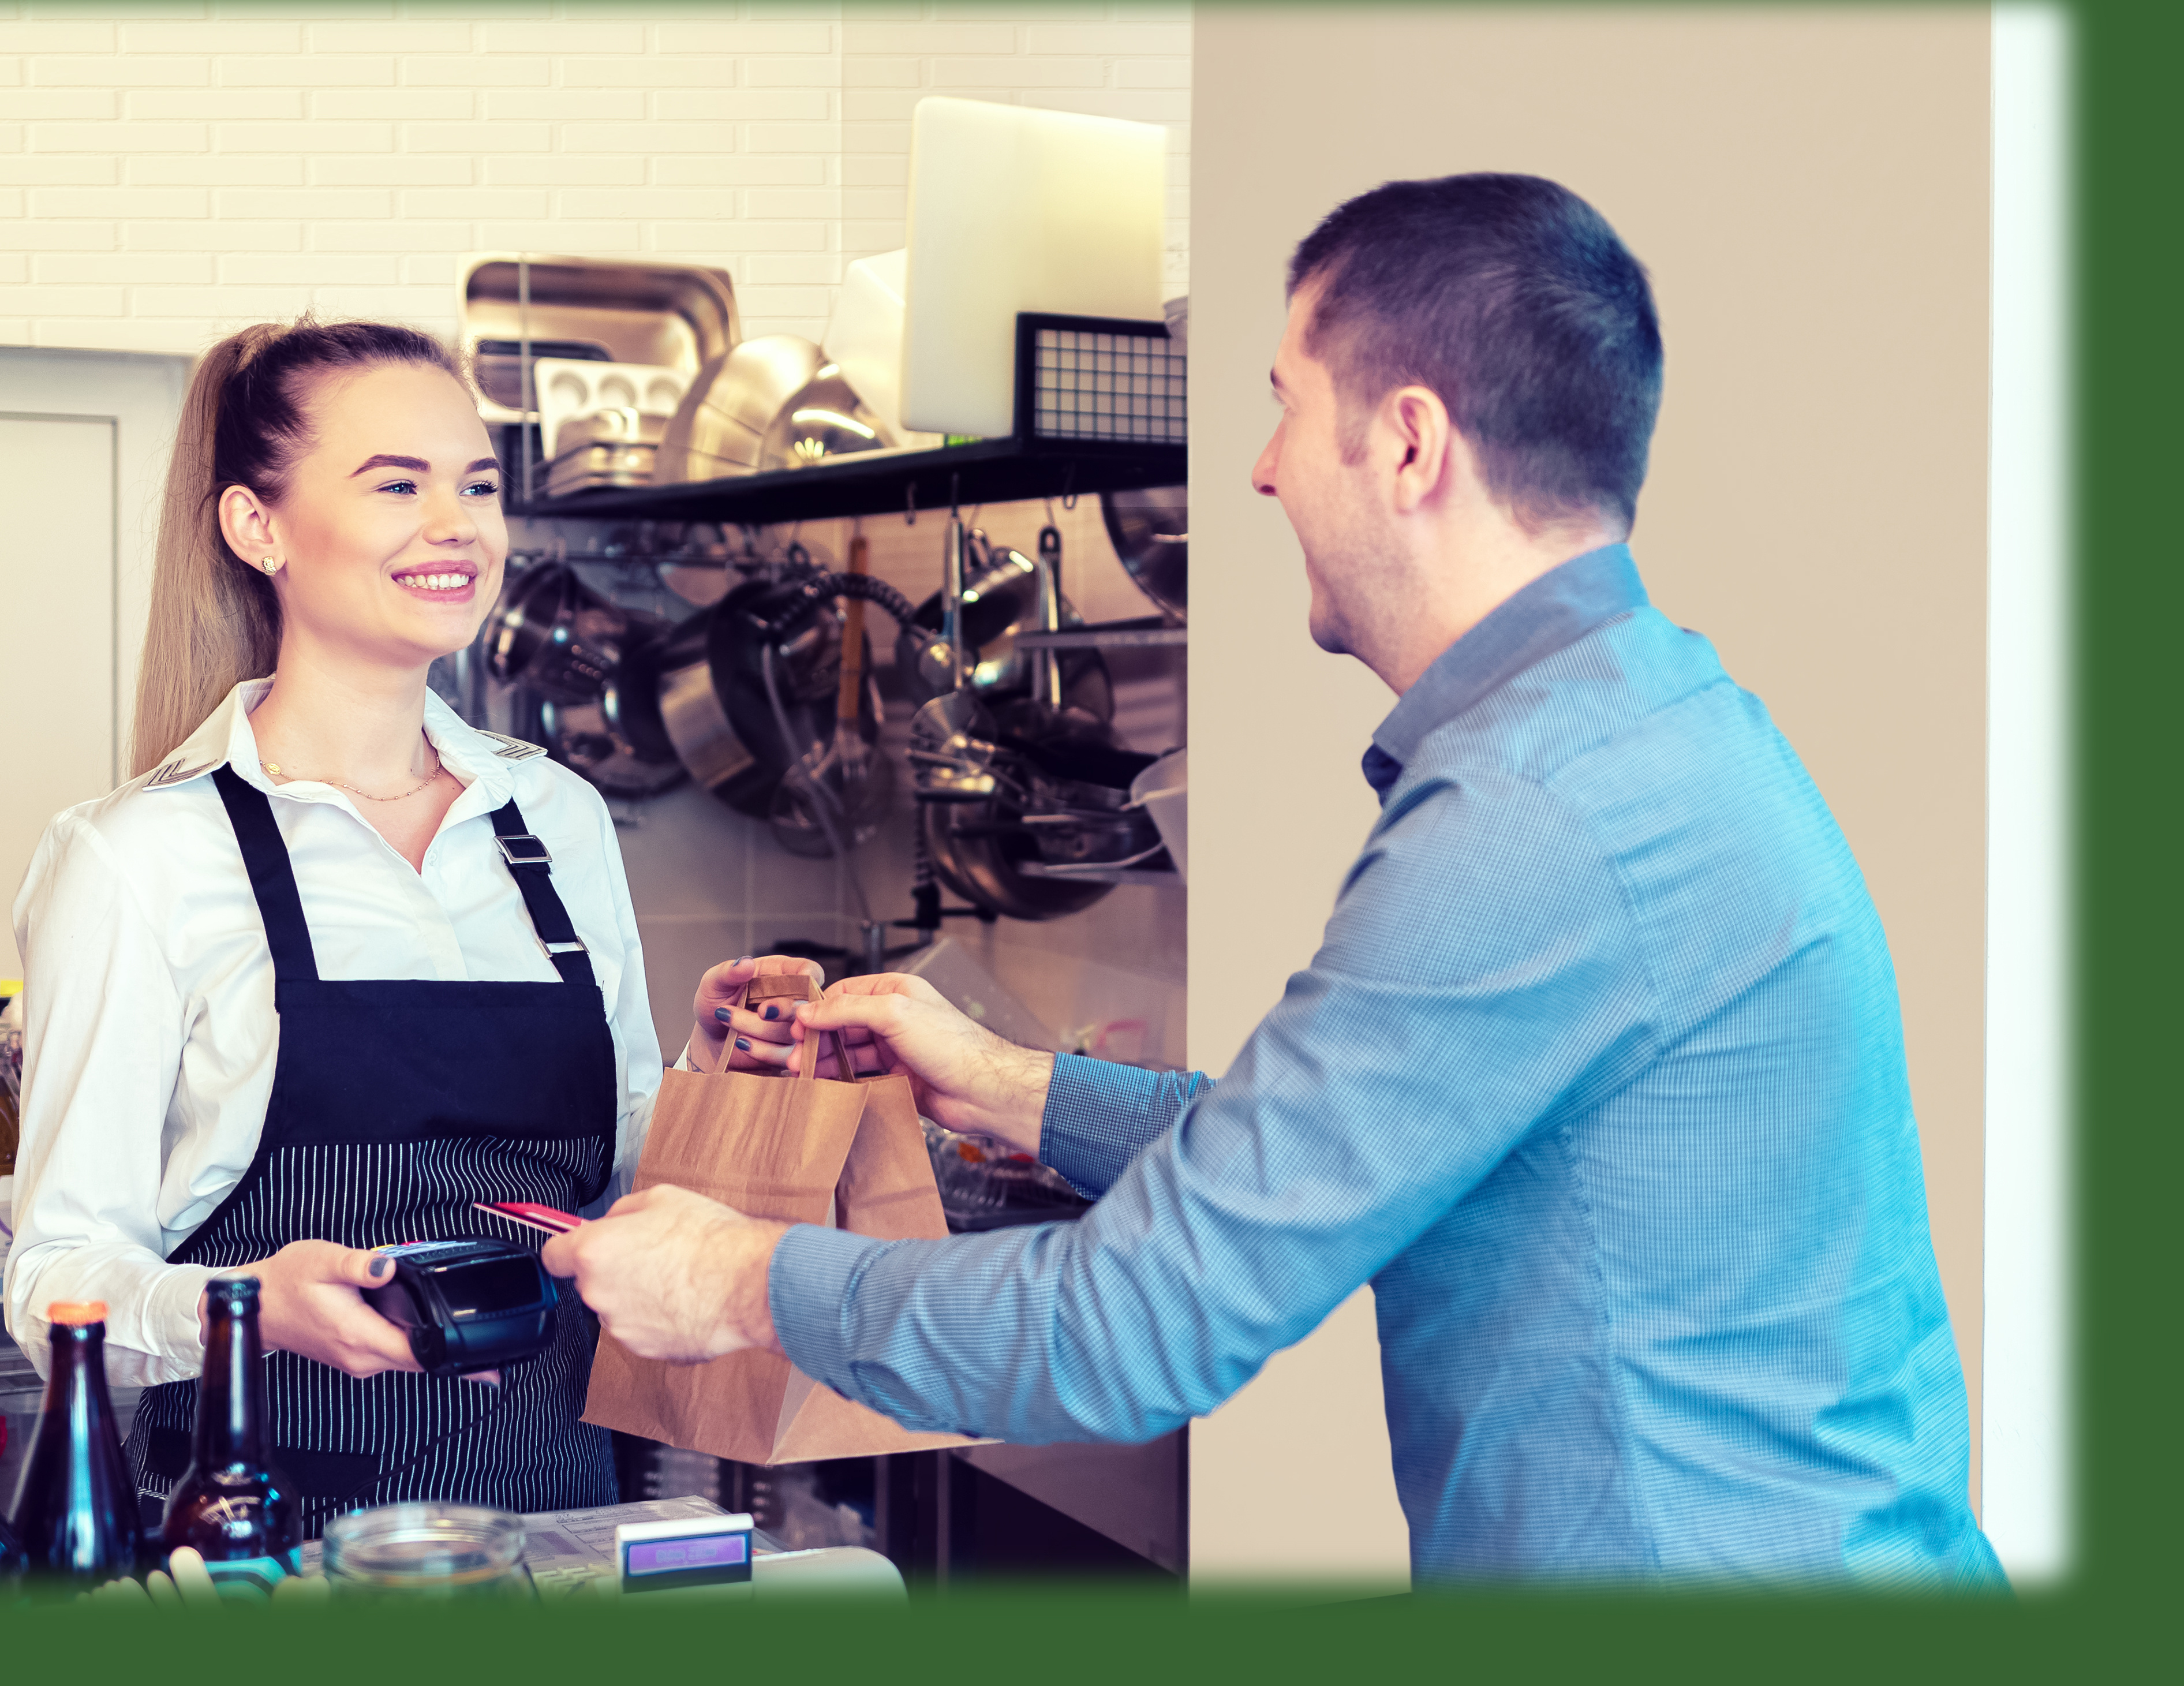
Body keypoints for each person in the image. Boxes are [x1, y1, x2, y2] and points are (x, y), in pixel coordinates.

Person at [547, 175, 2008, 1588]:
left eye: (1282, 403)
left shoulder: (1530, 817)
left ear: (1409, 444)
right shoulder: (1634, 720)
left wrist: (740, 1279)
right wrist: (1003, 1083)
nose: (1254, 467)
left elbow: (1139, 1322)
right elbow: (1319, 1146)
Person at [4, 316, 807, 1532]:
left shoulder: (554, 819)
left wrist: (713, 1069)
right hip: (263, 1548)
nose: (458, 526)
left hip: (558, 1526)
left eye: (477, 485)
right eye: (397, 484)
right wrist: (244, 1304)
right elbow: (54, 1277)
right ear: (254, 525)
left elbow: (618, 1180)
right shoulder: (140, 857)